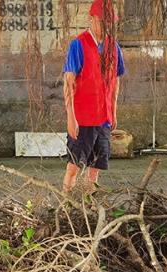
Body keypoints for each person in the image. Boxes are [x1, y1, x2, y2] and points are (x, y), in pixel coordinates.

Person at [62, 0, 125, 193]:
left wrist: (113, 111)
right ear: (91, 19)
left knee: (95, 168)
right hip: (83, 117)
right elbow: (68, 83)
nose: (105, 26)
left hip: (103, 118)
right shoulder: (78, 45)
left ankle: (89, 205)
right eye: (101, 21)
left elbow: (116, 80)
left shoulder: (113, 47)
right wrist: (71, 118)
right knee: (73, 166)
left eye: (109, 23)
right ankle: (66, 204)